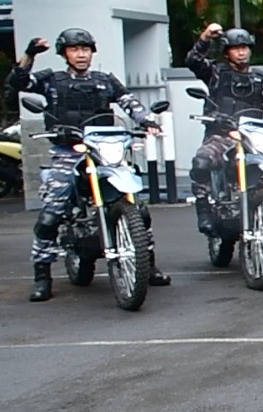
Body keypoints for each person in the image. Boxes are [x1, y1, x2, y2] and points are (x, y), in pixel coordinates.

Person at [10, 29, 168, 301]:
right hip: (68, 151)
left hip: (104, 150)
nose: (81, 54)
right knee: (52, 211)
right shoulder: (51, 80)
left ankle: (146, 264)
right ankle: (42, 275)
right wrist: (30, 55)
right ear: (65, 54)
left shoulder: (105, 81)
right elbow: (18, 82)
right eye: (74, 49)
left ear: (92, 53)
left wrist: (147, 121)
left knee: (138, 209)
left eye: (85, 49)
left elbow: (129, 103)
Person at [186, 24, 263, 268]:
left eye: (245, 48)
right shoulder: (216, 73)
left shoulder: (260, 78)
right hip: (221, 135)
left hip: (253, 137)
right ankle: (204, 209)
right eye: (236, 48)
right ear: (226, 52)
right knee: (202, 161)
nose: (241, 52)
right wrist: (205, 36)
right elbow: (193, 61)